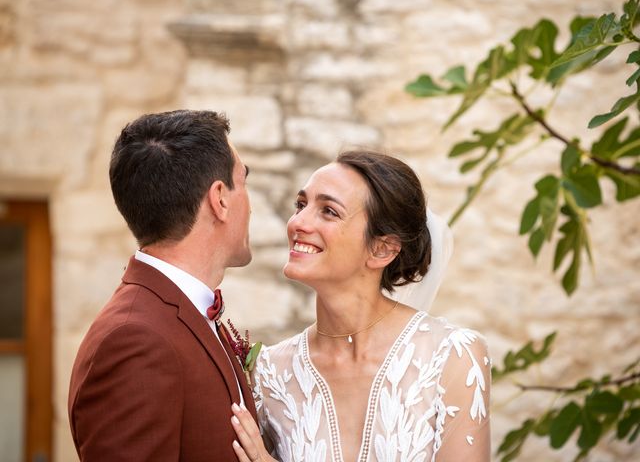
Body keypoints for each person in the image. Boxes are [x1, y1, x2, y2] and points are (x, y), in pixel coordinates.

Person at [230, 150, 491, 461]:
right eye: (300, 205)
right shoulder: (270, 372)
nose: (298, 222)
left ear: (381, 250)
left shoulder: (452, 357)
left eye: (328, 211)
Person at [68, 109, 257, 461]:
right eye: (243, 182)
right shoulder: (135, 341)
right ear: (220, 199)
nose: (251, 205)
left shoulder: (176, 314)